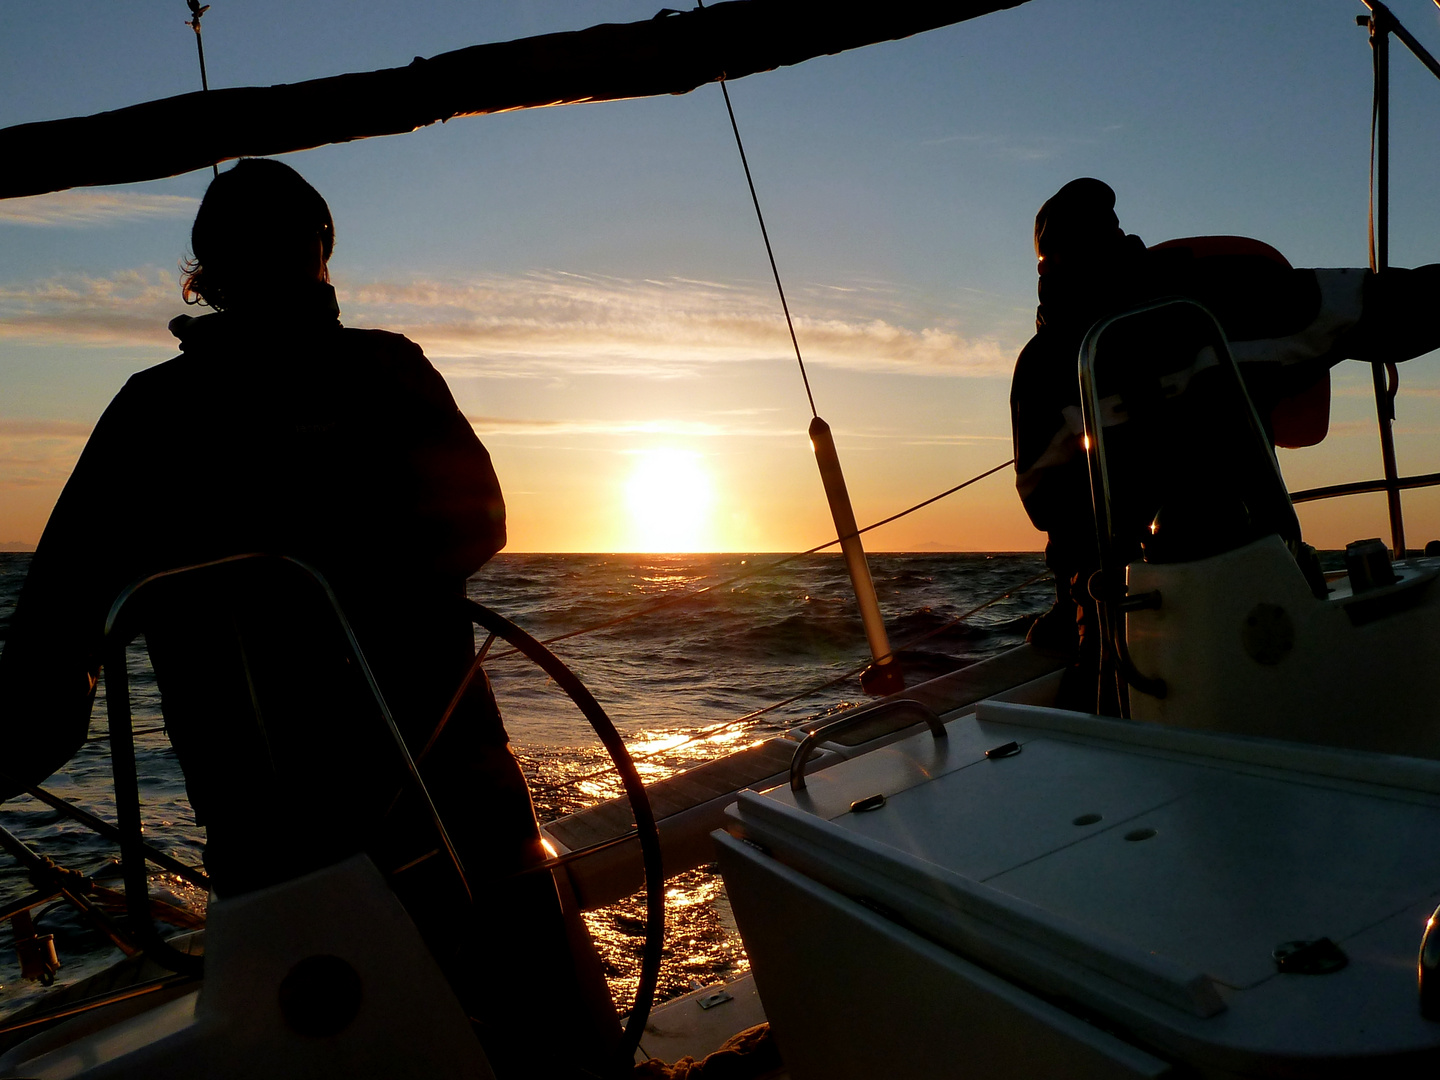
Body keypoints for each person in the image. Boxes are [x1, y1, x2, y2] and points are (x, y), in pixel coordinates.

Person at [0, 159, 613, 1079]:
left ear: (204, 273)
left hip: (266, 815)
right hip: (447, 777)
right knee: (546, 1023)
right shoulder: (386, 369)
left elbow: (56, 628)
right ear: (322, 250)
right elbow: (480, 517)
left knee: (331, 1033)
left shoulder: (148, 412)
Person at [1012, 177, 1440, 711]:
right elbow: (1390, 310)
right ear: (1121, 238)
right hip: (1266, 601)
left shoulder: (1041, 366)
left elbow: (1046, 504)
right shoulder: (1228, 295)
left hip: (1117, 639)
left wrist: (1066, 606)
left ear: (1046, 273)